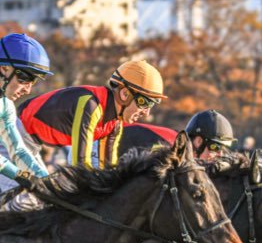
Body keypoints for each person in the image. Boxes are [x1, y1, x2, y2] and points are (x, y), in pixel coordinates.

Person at [18, 60, 166, 169]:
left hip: (33, 144)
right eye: (144, 103)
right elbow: (79, 165)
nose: (146, 112)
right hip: (16, 134)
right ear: (125, 93)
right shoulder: (91, 105)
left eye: (151, 105)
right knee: (28, 201)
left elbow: (108, 168)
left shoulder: (115, 124)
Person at [0, 33, 52, 198]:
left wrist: (47, 181)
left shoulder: (5, 106)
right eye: (25, 78)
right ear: (4, 69)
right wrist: (21, 175)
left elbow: (19, 151)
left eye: (34, 81)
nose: (28, 90)